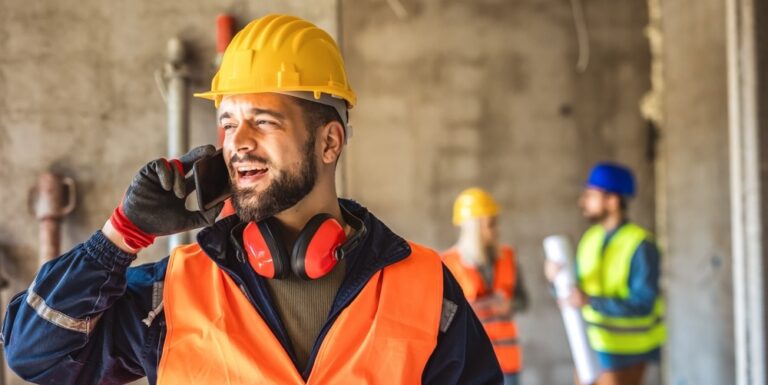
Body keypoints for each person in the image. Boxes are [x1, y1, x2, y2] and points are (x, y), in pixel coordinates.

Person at [2, 14, 502, 385]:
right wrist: (122, 234)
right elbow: (33, 354)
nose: (237, 142)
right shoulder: (176, 293)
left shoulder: (424, 288)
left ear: (329, 142)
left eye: (262, 121)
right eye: (227, 123)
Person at [545, 163, 665, 385]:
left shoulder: (640, 245)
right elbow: (577, 294)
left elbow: (644, 304)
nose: (583, 201)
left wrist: (590, 301)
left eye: (591, 195)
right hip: (591, 346)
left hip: (626, 351)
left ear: (612, 200)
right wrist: (555, 282)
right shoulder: (591, 238)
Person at [442, 188, 528, 385]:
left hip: (507, 360)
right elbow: (440, 316)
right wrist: (473, 309)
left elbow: (523, 300)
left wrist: (510, 305)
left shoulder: (507, 257)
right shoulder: (448, 264)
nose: (496, 229)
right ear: (475, 226)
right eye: (491, 224)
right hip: (471, 360)